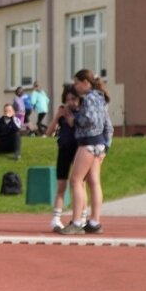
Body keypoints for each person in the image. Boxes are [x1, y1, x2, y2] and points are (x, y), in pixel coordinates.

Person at [60, 69, 112, 235]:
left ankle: (76, 222)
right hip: (99, 143)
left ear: (85, 83)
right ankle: (94, 222)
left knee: (75, 181)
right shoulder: (100, 98)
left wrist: (72, 120)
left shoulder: (88, 98)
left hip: (87, 143)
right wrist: (106, 146)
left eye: (76, 83)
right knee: (94, 182)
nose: (75, 87)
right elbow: (107, 124)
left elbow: (89, 120)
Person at [45, 85, 79, 231]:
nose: (70, 102)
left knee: (78, 185)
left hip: (79, 150)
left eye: (73, 99)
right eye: (68, 99)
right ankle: (56, 218)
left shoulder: (82, 113)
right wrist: (58, 116)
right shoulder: (62, 112)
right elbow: (48, 132)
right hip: (64, 149)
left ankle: (81, 217)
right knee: (61, 185)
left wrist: (72, 120)